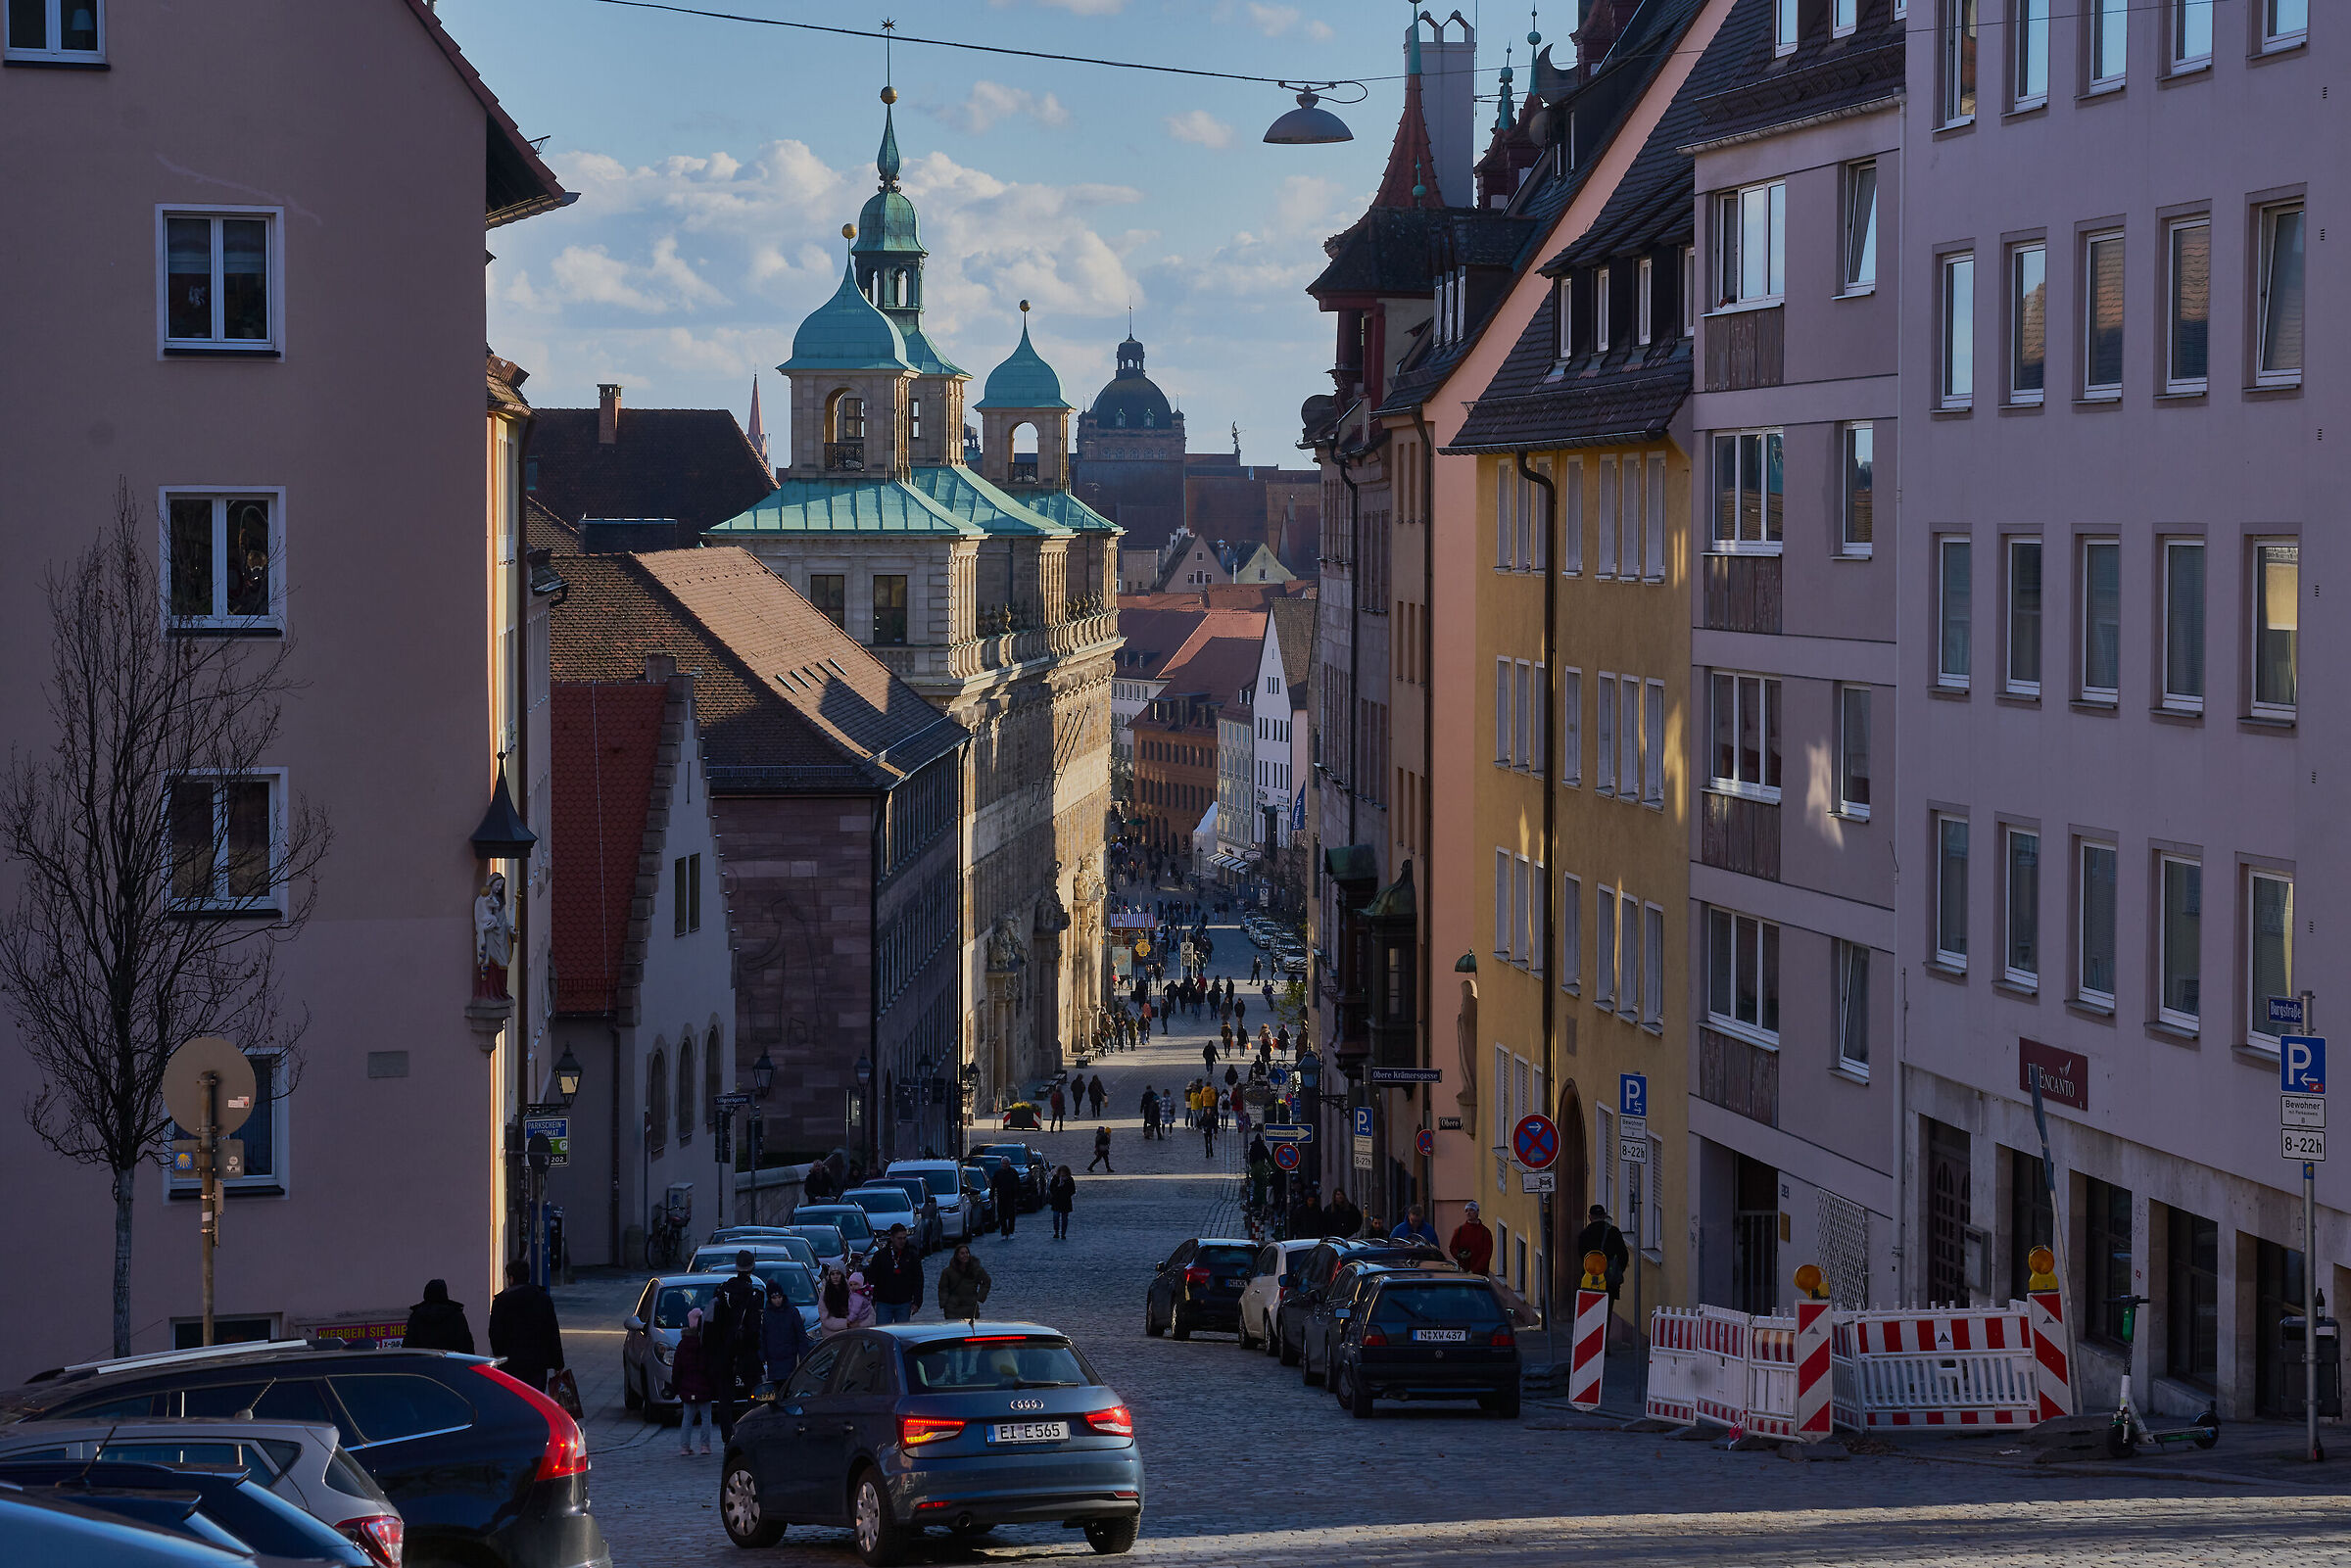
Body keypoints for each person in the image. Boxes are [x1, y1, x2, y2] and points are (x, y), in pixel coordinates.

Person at [488, 1259, 566, 1397]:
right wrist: (558, 1363)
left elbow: (495, 1334)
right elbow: (552, 1333)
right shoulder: (542, 1299)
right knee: (535, 1400)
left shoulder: (501, 1302)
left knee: (514, 1399)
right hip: (537, 1363)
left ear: (511, 1278)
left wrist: (500, 1356)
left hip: (510, 1363)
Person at [708, 1251, 765, 1441]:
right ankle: (746, 1429)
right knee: (757, 1392)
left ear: (736, 1266)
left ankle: (727, 1437)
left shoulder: (722, 1291)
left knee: (725, 1398)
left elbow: (714, 1324)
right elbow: (754, 1328)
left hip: (725, 1351)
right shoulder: (754, 1294)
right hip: (745, 1350)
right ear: (752, 1267)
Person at [671, 1307, 718, 1456]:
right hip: (705, 1387)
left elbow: (677, 1368)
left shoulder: (682, 1345)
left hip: (687, 1387)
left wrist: (676, 1386)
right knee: (706, 1418)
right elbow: (711, 1367)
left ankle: (684, 1447)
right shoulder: (706, 1344)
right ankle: (705, 1446)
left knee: (687, 1418)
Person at [1574, 1204, 1632, 1301]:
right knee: (1607, 1309)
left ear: (1590, 1217)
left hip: (1590, 1279)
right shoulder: (1614, 1232)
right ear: (1605, 1216)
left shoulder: (1584, 1234)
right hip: (1609, 1280)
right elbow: (1623, 1255)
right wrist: (1615, 1271)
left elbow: (1581, 1255)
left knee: (1590, 1310)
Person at [868, 1224, 925, 1324]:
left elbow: (918, 1279)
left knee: (902, 1333)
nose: (902, 1241)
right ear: (892, 1238)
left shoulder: (912, 1256)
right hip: (883, 1302)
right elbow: (872, 1277)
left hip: (904, 1302)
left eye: (904, 1238)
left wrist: (917, 1302)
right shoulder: (880, 1256)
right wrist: (873, 1299)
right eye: (899, 1238)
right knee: (883, 1334)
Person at [402, 1279, 474, 1354]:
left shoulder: (416, 1317)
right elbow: (466, 1346)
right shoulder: (456, 1316)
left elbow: (408, 1347)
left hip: (423, 1362)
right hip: (451, 1362)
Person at [760, 1281, 809, 1386]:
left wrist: (803, 1357)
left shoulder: (792, 1312)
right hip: (773, 1361)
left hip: (790, 1359)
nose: (777, 1300)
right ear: (770, 1298)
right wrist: (762, 1356)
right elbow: (763, 1337)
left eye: (779, 1296)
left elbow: (801, 1336)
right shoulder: (766, 1315)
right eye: (774, 1297)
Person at [938, 1243, 992, 1319]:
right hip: (953, 1308)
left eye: (967, 1253)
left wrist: (980, 1296)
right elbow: (943, 1288)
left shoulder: (977, 1270)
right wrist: (944, 1302)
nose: (965, 1255)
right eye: (962, 1253)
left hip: (971, 1307)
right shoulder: (948, 1272)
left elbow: (987, 1281)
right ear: (957, 1256)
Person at [1449, 1200, 1496, 1275]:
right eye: (1466, 1210)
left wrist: (1474, 1271)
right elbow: (1452, 1247)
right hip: (1463, 1272)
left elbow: (1486, 1254)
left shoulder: (1485, 1232)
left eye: (1471, 1210)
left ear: (1477, 1212)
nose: (1468, 1213)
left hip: (1480, 1274)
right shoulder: (1459, 1231)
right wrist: (1459, 1255)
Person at [818, 1266, 856, 1336]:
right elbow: (826, 1318)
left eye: (838, 1273)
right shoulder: (824, 1294)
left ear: (842, 1275)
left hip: (852, 1334)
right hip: (831, 1336)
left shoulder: (851, 1292)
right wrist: (846, 1323)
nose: (835, 1277)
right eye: (832, 1274)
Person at [990, 1158, 1021, 1238]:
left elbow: (1017, 1185)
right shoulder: (998, 1173)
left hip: (1011, 1197)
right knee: (1002, 1216)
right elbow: (993, 1185)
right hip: (1001, 1197)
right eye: (1003, 1163)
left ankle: (1011, 1232)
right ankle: (1004, 1233)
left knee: (1011, 1216)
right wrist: (992, 1196)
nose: (1004, 1165)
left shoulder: (1013, 1172)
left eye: (1005, 1163)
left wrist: (1017, 1196)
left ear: (1009, 1164)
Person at [1047, 1164, 1077, 1240]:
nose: (1062, 1175)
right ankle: (1056, 1231)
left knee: (1064, 1218)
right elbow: (1052, 1189)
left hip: (1065, 1202)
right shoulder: (1055, 1179)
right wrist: (1059, 1186)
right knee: (1056, 1217)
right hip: (1057, 1201)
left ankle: (1063, 1233)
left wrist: (1065, 1187)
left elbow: (1072, 1191)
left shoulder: (1070, 1180)